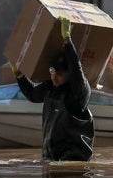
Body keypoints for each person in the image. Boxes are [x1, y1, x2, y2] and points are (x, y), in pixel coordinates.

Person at [9, 16, 95, 161]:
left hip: (73, 159)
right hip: (51, 158)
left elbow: (76, 68)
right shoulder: (50, 88)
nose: (54, 77)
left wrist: (67, 39)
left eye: (60, 74)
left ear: (69, 75)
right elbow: (32, 94)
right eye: (52, 72)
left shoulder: (78, 92)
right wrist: (19, 75)